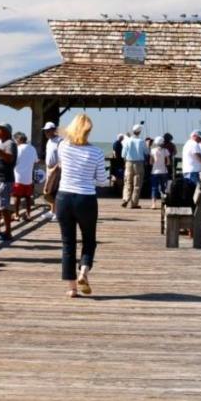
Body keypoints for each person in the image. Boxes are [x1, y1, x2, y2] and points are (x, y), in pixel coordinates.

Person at [47, 113, 111, 298]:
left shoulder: (63, 146)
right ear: (88, 131)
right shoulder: (97, 152)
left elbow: (58, 164)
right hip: (86, 199)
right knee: (89, 240)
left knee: (68, 244)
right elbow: (102, 181)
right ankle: (84, 271)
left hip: (64, 198)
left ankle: (72, 288)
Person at [119, 124, 149, 209]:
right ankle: (134, 203)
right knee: (137, 184)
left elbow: (123, 154)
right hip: (139, 163)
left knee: (128, 182)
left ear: (133, 131)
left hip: (129, 162)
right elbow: (146, 152)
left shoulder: (128, 141)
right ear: (139, 132)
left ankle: (125, 199)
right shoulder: (142, 141)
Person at [12, 131, 38, 222]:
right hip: (29, 178)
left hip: (18, 177)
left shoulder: (18, 149)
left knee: (17, 197)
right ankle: (28, 214)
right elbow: (36, 161)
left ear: (18, 139)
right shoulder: (33, 148)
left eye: (15, 139)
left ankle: (16, 214)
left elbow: (13, 162)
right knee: (28, 197)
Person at [42, 121, 63, 221]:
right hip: (49, 168)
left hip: (56, 169)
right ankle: (52, 211)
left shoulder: (60, 141)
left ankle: (57, 212)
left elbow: (62, 156)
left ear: (53, 130)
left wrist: (56, 167)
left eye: (48, 131)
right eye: (45, 131)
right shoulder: (49, 141)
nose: (46, 133)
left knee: (55, 191)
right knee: (49, 190)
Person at [149, 136, 170, 204]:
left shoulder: (152, 150)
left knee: (154, 187)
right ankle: (164, 202)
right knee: (164, 188)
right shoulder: (165, 150)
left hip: (154, 171)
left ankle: (153, 203)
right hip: (164, 171)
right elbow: (168, 162)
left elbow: (150, 162)